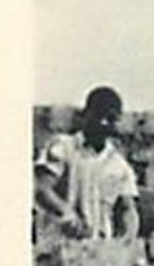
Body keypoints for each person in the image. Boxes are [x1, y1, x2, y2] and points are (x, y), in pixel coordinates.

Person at [34, 84, 140, 246]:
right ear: (85, 114)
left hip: (98, 253)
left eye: (110, 119)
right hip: (58, 247)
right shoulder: (62, 147)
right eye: (98, 115)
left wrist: (129, 235)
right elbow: (42, 189)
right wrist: (65, 212)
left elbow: (127, 208)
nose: (103, 123)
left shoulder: (120, 166)